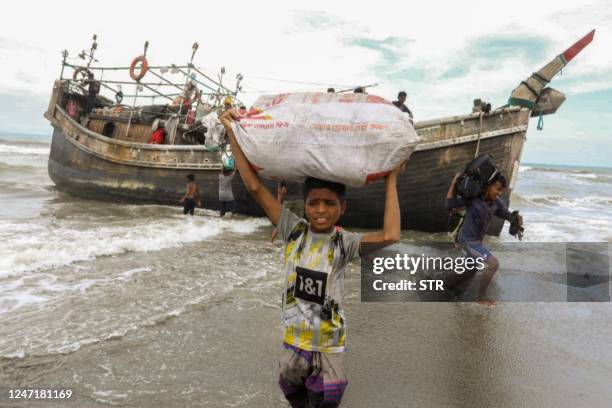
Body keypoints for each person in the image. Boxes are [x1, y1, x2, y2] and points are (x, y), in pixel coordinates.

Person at [220, 108, 403, 407]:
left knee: (327, 399)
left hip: (330, 346)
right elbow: (254, 186)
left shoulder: (344, 243)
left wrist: (392, 178)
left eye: (329, 204)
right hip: (294, 342)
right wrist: (232, 132)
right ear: (304, 206)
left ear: (342, 208)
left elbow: (390, 235)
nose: (321, 209)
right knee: (294, 394)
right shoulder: (293, 230)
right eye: (314, 203)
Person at [445, 172, 522, 305]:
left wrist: (516, 219)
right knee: (493, 264)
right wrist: (453, 184)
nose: (499, 194)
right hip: (467, 241)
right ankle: (481, 297)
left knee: (471, 270)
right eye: (497, 189)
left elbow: (507, 215)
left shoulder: (496, 203)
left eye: (501, 191)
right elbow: (449, 204)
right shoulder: (473, 199)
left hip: (477, 243)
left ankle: (447, 285)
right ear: (488, 186)